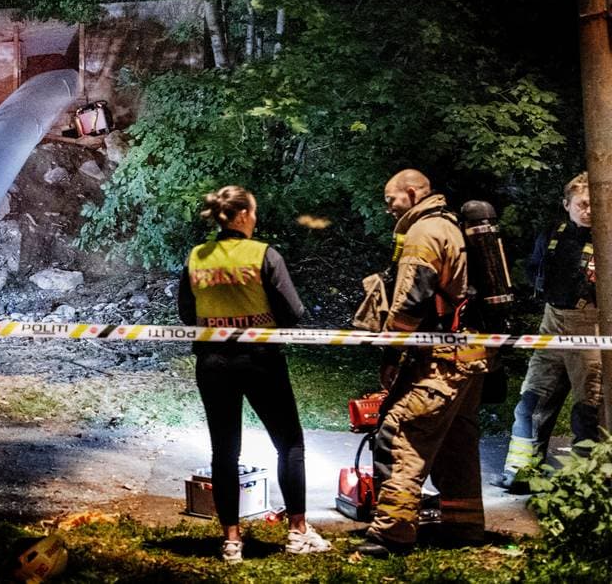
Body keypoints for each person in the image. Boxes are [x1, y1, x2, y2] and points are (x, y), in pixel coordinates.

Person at [177, 185, 331, 564]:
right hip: (261, 360)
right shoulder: (264, 254)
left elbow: (185, 314)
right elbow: (293, 313)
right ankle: (296, 531)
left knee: (224, 452)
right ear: (243, 215)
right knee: (290, 444)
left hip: (213, 363)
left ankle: (231, 540)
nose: (256, 219)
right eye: (255, 212)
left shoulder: (197, 258)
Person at [356, 169, 488, 557]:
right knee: (456, 444)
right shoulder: (450, 225)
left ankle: (391, 535)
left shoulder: (423, 232)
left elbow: (411, 302)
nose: (387, 208)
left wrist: (393, 349)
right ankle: (465, 529)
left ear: (412, 193)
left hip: (439, 361)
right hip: (470, 356)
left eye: (390, 199)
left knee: (400, 435)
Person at [494, 172, 601, 492]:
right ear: (566, 204)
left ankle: (590, 478)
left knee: (590, 407)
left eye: (594, 205)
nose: (589, 211)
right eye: (582, 204)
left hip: (590, 325)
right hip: (552, 321)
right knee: (531, 401)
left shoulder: (606, 239)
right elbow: (533, 270)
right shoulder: (552, 234)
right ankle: (521, 471)